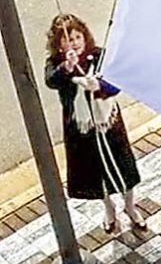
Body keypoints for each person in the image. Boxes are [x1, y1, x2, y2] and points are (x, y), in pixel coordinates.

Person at [45, 13, 146, 233]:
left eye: (77, 38)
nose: (74, 44)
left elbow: (117, 84)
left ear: (84, 37)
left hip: (108, 124)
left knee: (123, 169)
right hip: (81, 131)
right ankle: (109, 209)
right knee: (96, 173)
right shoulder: (56, 64)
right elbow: (52, 81)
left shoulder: (99, 56)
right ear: (59, 45)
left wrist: (98, 86)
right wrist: (68, 68)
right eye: (67, 40)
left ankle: (129, 206)